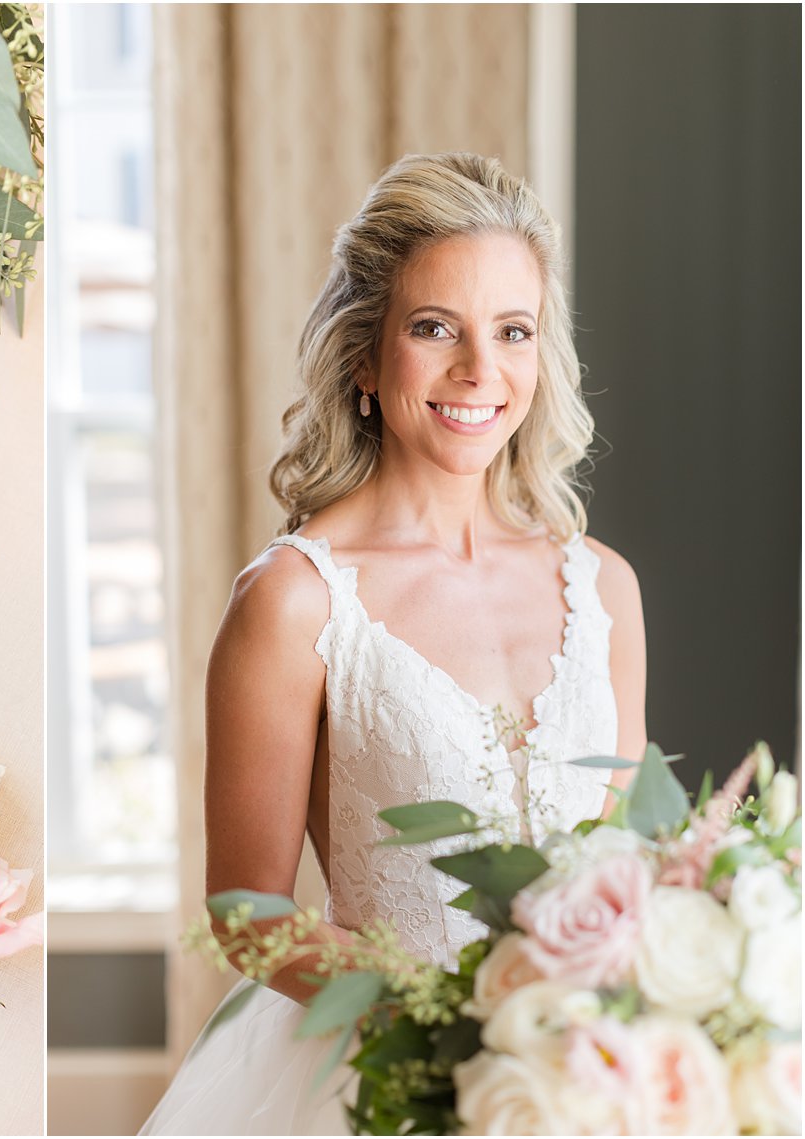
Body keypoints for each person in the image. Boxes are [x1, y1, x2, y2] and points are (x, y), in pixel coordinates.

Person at [140, 152, 647, 1135]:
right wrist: (452, 1021)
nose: (476, 370)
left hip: (582, 1079)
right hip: (378, 1076)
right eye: (432, 328)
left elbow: (619, 866)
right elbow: (247, 911)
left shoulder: (606, 589)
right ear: (363, 357)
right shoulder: (293, 601)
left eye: (511, 331)